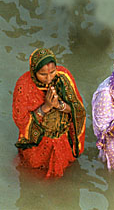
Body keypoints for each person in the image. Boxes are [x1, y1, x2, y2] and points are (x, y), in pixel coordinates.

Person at [13, 48, 86, 178]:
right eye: (43, 74)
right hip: (39, 146)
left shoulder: (63, 77)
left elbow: (77, 110)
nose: (48, 78)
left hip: (62, 140)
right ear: (33, 71)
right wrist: (45, 107)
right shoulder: (23, 86)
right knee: (34, 176)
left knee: (64, 179)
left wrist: (59, 105)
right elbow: (21, 122)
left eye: (52, 72)